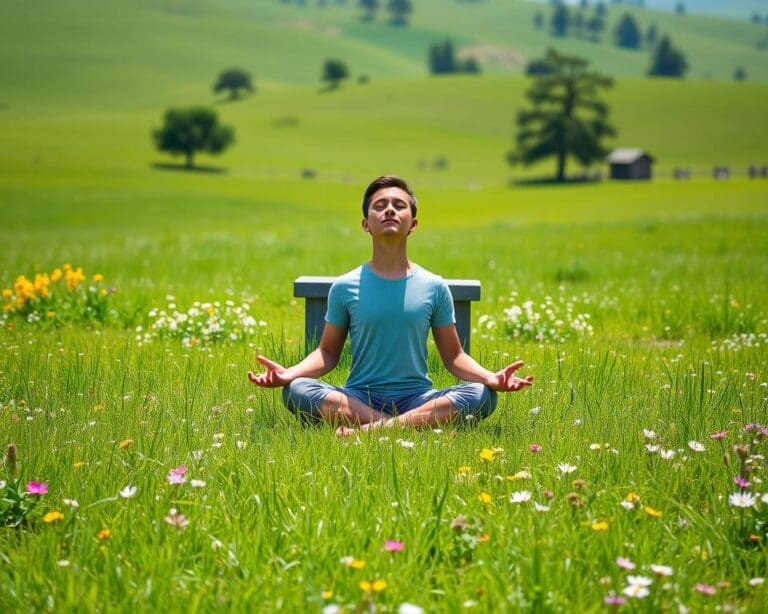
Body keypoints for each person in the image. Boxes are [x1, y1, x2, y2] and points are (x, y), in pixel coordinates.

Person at [248, 175, 533, 435]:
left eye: (399, 205)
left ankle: (371, 431)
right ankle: (401, 427)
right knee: (296, 390)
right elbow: (327, 353)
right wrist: (289, 374)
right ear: (365, 224)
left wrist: (490, 378)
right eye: (380, 206)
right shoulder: (344, 287)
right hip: (358, 398)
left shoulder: (434, 286)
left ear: (413, 224)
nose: (389, 210)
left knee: (482, 396)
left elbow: (454, 357)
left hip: (418, 398)